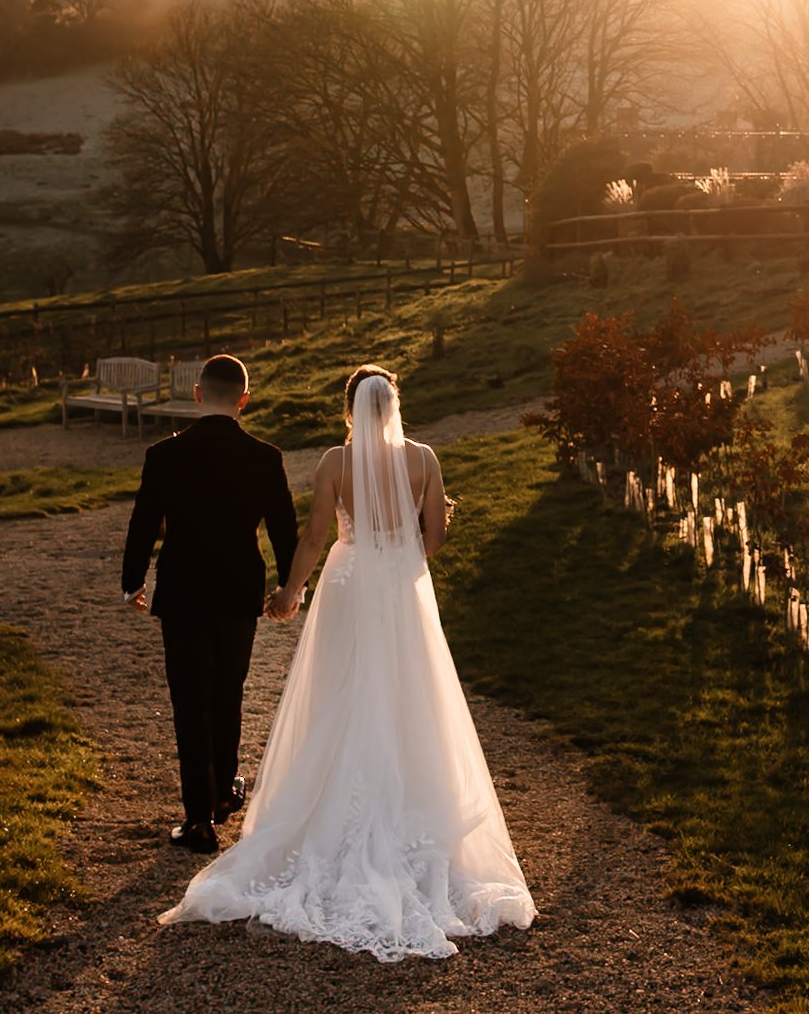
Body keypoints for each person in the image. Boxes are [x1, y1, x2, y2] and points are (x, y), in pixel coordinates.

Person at [160, 363, 536, 959]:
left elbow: (312, 537)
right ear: (394, 406)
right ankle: (414, 813)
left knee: (340, 694)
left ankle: (328, 813)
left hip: (350, 580)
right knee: (410, 697)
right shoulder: (425, 459)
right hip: (401, 587)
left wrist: (288, 594)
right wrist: (419, 535)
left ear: (349, 409)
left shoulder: (336, 462)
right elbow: (433, 538)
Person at [120, 353, 298, 854]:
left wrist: (132, 581)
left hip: (182, 590)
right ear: (244, 399)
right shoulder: (266, 457)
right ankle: (224, 792)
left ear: (196, 394)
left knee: (188, 699)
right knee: (228, 689)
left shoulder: (164, 455)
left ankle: (200, 817)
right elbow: (285, 530)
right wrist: (291, 587)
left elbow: (144, 523)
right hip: (239, 588)